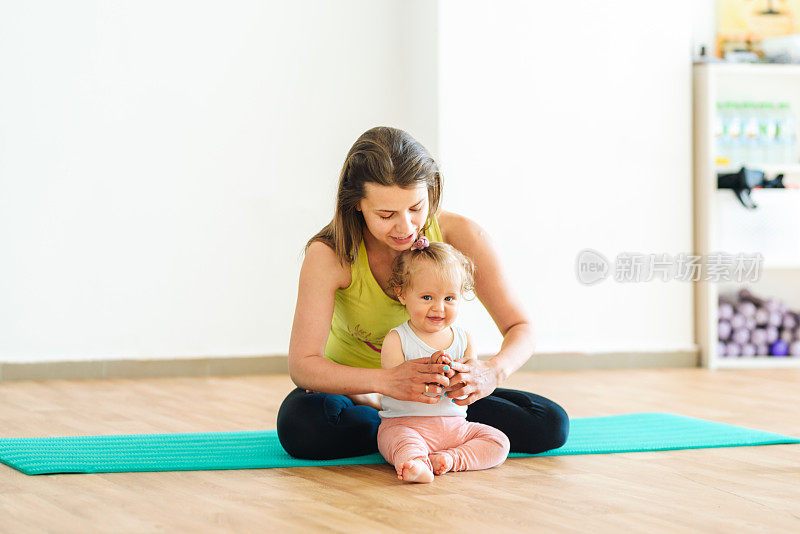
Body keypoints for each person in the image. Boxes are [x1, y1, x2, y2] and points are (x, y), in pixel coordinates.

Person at [277, 126, 568, 460]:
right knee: (303, 427)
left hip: (441, 401)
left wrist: (490, 373)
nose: (406, 227)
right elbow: (303, 365)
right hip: (355, 393)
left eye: (416, 208)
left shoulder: (463, 235)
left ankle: (412, 435)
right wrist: (385, 383)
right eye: (386, 215)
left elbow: (521, 328)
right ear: (356, 204)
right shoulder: (329, 255)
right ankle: (400, 426)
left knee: (550, 424)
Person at [377, 238, 509, 483]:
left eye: (449, 298)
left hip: (456, 428)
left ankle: (450, 459)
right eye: (427, 297)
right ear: (402, 294)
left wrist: (457, 378)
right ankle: (416, 464)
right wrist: (433, 368)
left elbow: (466, 387)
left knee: (499, 442)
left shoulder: (463, 338)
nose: (439, 307)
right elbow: (397, 386)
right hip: (406, 425)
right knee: (400, 444)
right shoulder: (396, 339)